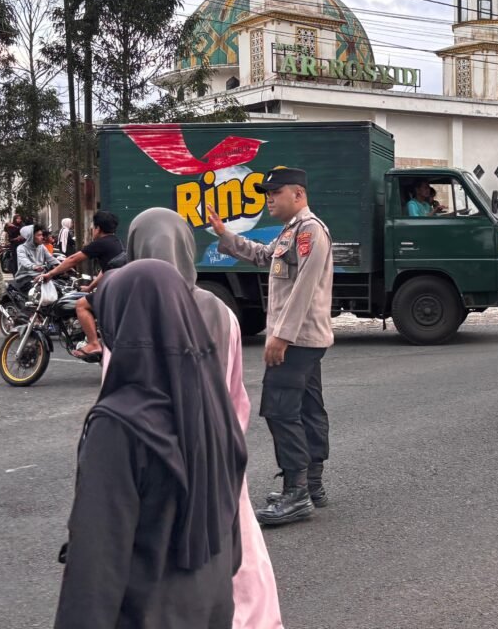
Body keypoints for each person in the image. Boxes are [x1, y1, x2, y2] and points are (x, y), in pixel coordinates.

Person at [53, 260, 247, 629]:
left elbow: (97, 561)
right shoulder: (211, 403)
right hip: (211, 603)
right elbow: (231, 531)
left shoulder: (119, 423)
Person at [126, 207, 284, 628]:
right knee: (237, 548)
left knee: (162, 561)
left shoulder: (127, 314)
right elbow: (235, 395)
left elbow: (117, 394)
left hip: (154, 464)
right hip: (218, 452)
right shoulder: (221, 312)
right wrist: (223, 445)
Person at [206, 166, 333, 527]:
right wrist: (226, 236)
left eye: (275, 194)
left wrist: (281, 336)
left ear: (298, 194)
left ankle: (296, 493)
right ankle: (311, 484)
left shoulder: (310, 231)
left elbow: (305, 286)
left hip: (297, 338)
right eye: (267, 194)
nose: (269, 200)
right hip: (304, 338)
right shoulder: (292, 231)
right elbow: (265, 257)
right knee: (308, 407)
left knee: (280, 409)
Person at [39, 211, 125, 359]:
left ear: (98, 228)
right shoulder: (115, 241)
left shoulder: (100, 243)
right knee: (87, 298)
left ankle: (93, 344)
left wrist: (49, 274)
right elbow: (106, 270)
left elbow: (73, 259)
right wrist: (90, 287)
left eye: (93, 227)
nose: (92, 230)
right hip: (120, 289)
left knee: (81, 305)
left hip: (113, 291)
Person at [14, 224, 60, 293]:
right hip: (25, 278)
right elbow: (24, 261)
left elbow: (51, 258)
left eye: (42, 235)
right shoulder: (21, 248)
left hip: (40, 276)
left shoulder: (41, 247)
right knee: (40, 294)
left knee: (58, 288)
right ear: (30, 237)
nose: (42, 237)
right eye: (39, 235)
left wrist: (62, 265)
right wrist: (34, 266)